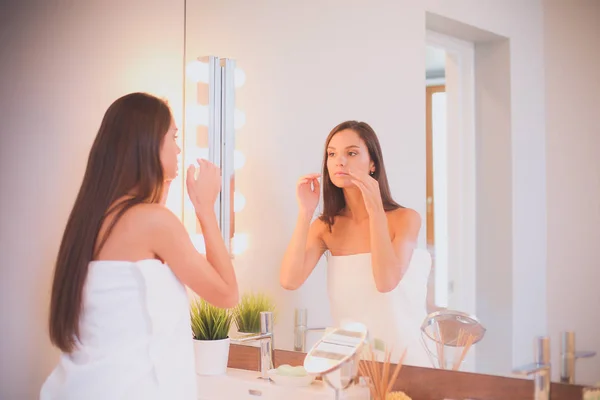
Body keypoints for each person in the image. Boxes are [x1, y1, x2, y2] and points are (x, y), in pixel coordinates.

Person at [40, 92, 239, 400]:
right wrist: (205, 208)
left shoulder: (90, 220)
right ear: (146, 145)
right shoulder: (153, 222)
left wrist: (162, 184)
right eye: (173, 136)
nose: (178, 147)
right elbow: (227, 294)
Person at [280, 120, 431, 366]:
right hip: (352, 363)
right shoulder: (325, 227)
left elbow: (385, 282)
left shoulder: (405, 219)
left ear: (373, 163)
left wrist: (375, 211)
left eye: (351, 153)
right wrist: (305, 212)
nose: (340, 161)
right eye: (332, 154)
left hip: (408, 363)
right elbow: (289, 280)